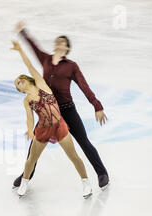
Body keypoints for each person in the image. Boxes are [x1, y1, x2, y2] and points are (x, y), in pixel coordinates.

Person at [13, 21, 110, 190]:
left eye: (63, 42)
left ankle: (102, 173)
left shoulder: (71, 66)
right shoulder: (46, 59)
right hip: (47, 111)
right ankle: (26, 176)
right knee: (33, 148)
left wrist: (97, 105)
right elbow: (33, 47)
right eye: (57, 40)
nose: (58, 42)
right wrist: (23, 32)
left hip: (66, 109)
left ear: (67, 48)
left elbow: (84, 86)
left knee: (84, 142)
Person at [11, 40, 92, 198]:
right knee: (31, 159)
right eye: (16, 84)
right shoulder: (26, 100)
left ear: (27, 79)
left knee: (73, 156)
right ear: (20, 90)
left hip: (59, 125)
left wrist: (20, 50)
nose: (18, 82)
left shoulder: (41, 84)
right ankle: (25, 182)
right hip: (43, 129)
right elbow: (29, 118)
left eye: (19, 80)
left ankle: (86, 183)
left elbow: (29, 65)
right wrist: (29, 130)